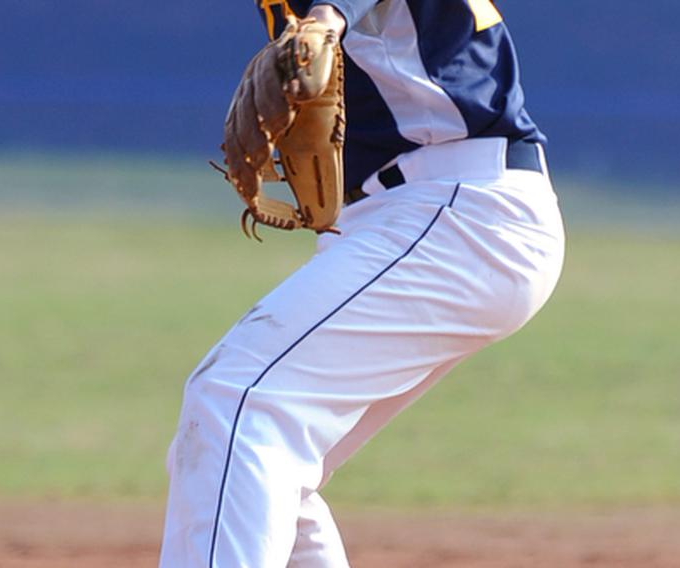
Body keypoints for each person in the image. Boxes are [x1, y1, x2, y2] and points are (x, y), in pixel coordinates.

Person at [159, 1, 565, 566]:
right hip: (419, 211)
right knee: (252, 460)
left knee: (237, 403)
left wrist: (328, 14)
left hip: (455, 205)